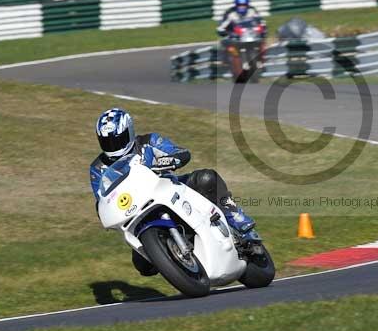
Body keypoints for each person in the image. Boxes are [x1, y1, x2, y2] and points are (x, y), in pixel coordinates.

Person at [89, 108, 256, 276]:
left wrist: (167, 161)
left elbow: (180, 152)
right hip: (136, 209)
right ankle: (174, 260)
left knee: (206, 178)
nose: (113, 146)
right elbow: (101, 200)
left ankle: (237, 220)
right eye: (107, 142)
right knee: (142, 264)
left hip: (168, 187)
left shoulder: (148, 141)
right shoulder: (98, 168)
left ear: (129, 131)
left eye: (117, 140)